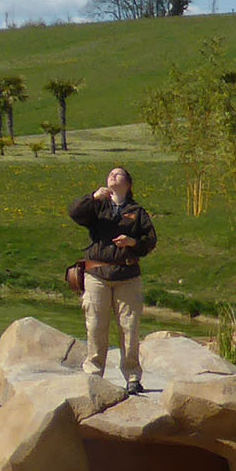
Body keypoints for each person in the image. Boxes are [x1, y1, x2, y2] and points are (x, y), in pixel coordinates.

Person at [68, 166, 156, 393]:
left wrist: (132, 242)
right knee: (96, 325)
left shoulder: (137, 212)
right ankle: (93, 373)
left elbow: (150, 241)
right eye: (110, 174)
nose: (112, 176)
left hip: (127, 276)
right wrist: (93, 197)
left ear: (128, 184)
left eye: (118, 174)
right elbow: (75, 213)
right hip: (97, 274)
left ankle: (132, 377)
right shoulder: (98, 207)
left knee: (129, 327)